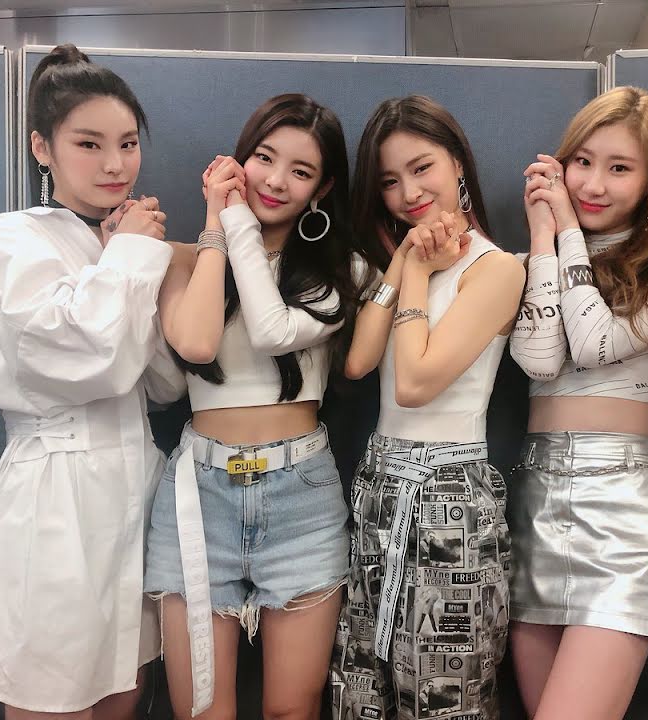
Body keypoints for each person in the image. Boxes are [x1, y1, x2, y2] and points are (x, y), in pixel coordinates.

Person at [0, 43, 185, 718]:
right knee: (49, 690)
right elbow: (84, 359)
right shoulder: (10, 239)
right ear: (42, 147)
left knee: (123, 686)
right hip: (53, 499)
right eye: (89, 143)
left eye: (128, 144)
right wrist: (131, 255)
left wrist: (137, 260)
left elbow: (163, 384)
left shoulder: (121, 244)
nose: (115, 164)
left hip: (135, 491)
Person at [144, 94, 364, 720]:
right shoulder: (184, 261)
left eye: (301, 170)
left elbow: (272, 329)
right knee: (202, 710)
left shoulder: (340, 272)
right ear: (240, 159)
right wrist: (213, 228)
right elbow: (188, 356)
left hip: (301, 497)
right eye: (264, 158)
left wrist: (230, 220)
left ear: (322, 189)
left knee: (291, 710)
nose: (275, 180)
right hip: (198, 495)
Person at [329, 95, 524, 720]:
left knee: (445, 696)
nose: (409, 193)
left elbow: (415, 383)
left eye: (422, 168)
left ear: (458, 164)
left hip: (451, 496)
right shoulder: (405, 262)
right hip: (379, 489)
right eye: (389, 180)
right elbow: (358, 363)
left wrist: (415, 273)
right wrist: (406, 261)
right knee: (363, 689)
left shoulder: (495, 268)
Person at [508, 86, 648, 720]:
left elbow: (593, 345)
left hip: (624, 507)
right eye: (582, 162)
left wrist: (563, 227)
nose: (592, 184)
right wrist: (543, 237)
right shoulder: (535, 257)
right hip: (535, 502)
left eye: (619, 168)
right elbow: (540, 359)